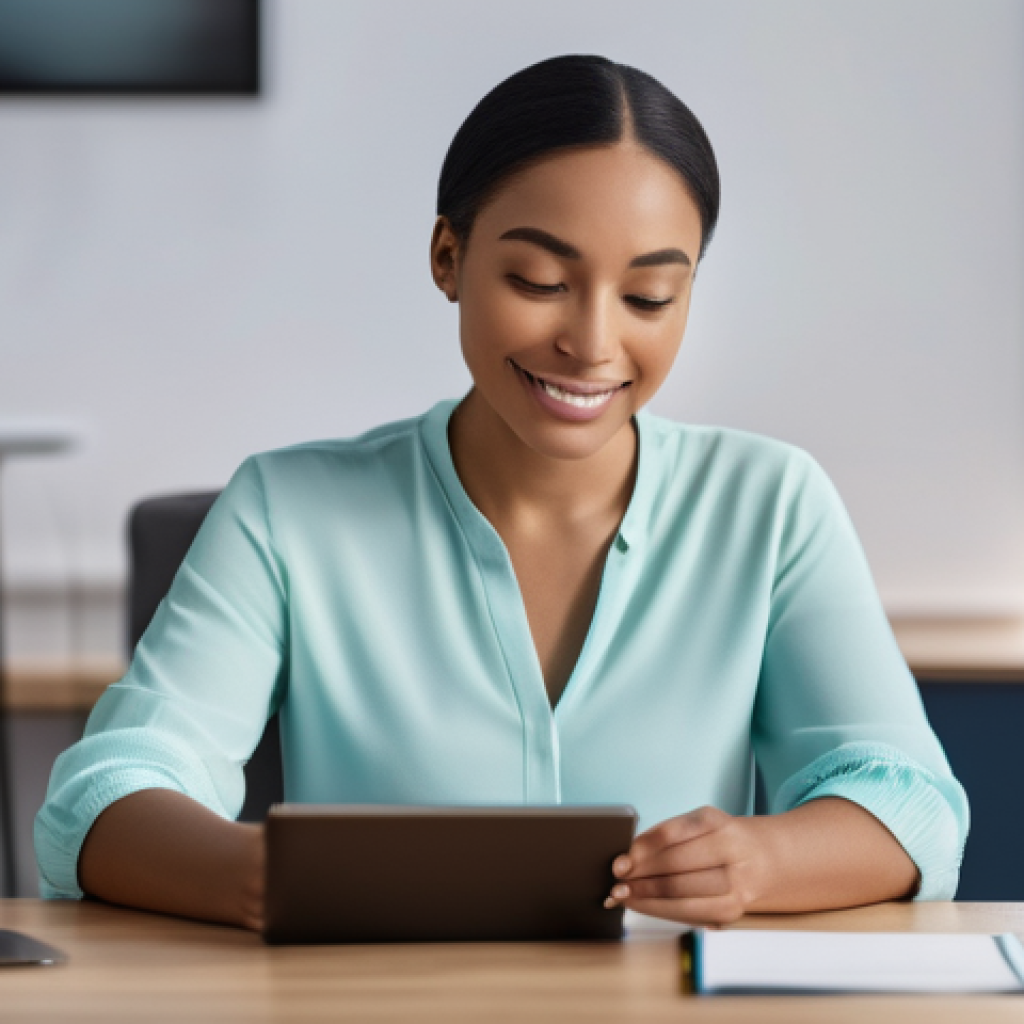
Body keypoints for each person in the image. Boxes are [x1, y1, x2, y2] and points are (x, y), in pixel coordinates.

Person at [36, 55, 968, 932]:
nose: (592, 344)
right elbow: (101, 797)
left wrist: (761, 862)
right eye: (540, 280)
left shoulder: (771, 505)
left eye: (648, 297)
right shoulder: (286, 510)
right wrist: (269, 877)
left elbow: (913, 805)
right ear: (448, 257)